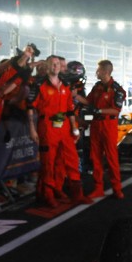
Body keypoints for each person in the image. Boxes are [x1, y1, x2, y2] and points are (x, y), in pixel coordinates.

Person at [28, 55, 89, 206]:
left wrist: (74, 127)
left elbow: (70, 108)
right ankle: (48, 195)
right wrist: (32, 129)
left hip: (65, 127)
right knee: (48, 161)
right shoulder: (38, 85)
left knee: (72, 159)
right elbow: (30, 108)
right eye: (53, 64)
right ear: (47, 66)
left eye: (57, 64)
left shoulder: (66, 85)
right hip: (47, 127)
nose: (55, 66)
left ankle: (77, 194)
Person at [84, 59, 126, 198]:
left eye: (99, 70)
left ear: (106, 72)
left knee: (111, 157)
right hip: (96, 125)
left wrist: (99, 111)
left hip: (108, 125)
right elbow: (88, 101)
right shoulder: (97, 87)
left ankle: (117, 188)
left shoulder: (117, 90)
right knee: (95, 157)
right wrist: (75, 96)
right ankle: (98, 188)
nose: (97, 72)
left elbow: (115, 111)